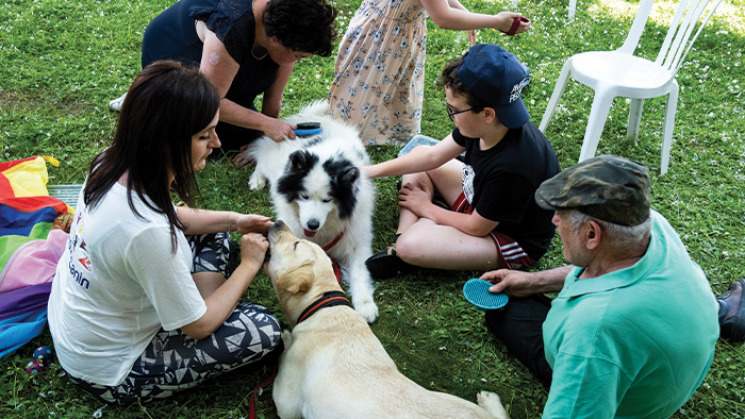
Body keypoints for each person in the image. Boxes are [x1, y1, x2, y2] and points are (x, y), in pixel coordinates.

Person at [48, 61, 282, 404]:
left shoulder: (110, 162)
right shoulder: (146, 233)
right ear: (165, 142)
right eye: (204, 135)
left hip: (78, 324)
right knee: (263, 329)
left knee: (217, 228)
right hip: (109, 370)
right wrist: (248, 264)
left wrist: (236, 219)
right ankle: (200, 303)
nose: (216, 143)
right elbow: (198, 329)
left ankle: (196, 301)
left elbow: (170, 215)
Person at [483, 155, 719, 418]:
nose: (554, 222)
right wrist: (532, 282)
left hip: (621, 401)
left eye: (561, 215)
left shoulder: (593, 331)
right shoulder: (650, 227)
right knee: (511, 299)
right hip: (660, 371)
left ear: (592, 234)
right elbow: (599, 268)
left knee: (502, 312)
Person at [364, 44, 559, 279]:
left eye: (454, 110)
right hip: (479, 202)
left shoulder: (513, 166)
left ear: (487, 114)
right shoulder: (488, 126)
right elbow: (432, 157)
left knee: (411, 245)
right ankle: (401, 243)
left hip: (506, 237)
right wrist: (369, 171)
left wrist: (426, 208)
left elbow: (477, 227)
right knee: (420, 154)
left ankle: (409, 244)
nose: (452, 116)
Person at [109, 0, 337, 165]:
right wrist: (266, 125)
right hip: (177, 50)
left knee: (243, 136)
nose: (298, 61)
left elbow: (273, 97)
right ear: (276, 40)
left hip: (221, 68)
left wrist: (264, 138)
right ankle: (151, 96)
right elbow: (210, 100)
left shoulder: (287, 28)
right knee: (193, 137)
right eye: (297, 56)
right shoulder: (231, 25)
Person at [328, 0, 531, 146]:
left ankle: (392, 132)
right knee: (365, 86)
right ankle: (345, 140)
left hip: (398, 29)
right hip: (383, 34)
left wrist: (468, 14)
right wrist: (497, 21)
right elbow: (442, 17)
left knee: (399, 85)